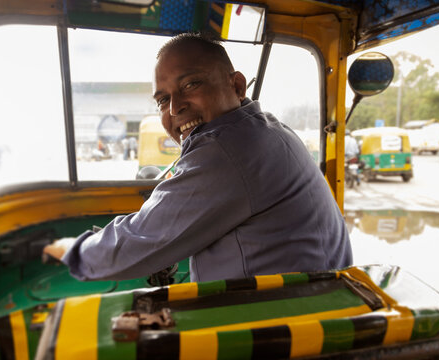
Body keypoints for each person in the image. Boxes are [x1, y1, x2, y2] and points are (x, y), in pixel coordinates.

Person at [44, 33, 352, 282]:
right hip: (311, 306)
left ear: (237, 85)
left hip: (276, 327)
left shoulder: (228, 149)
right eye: (163, 99)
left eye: (191, 84)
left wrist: (66, 249)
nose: (175, 107)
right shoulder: (266, 129)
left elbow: (124, 251)